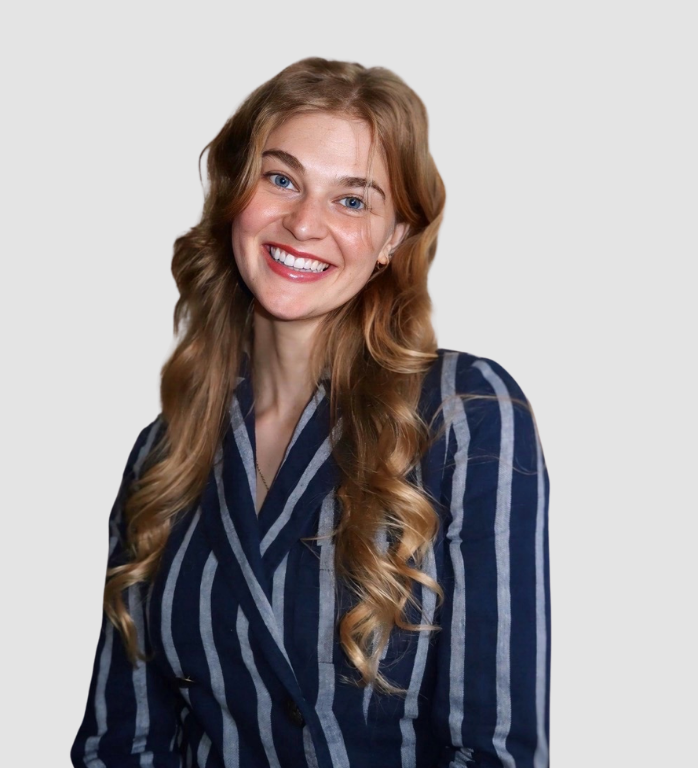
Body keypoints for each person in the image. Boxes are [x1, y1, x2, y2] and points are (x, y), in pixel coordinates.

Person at [70, 57, 550, 768]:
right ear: (236, 193)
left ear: (394, 239)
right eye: (282, 178)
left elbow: (496, 749)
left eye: (353, 201)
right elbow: (123, 744)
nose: (304, 223)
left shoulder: (466, 413)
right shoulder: (164, 453)